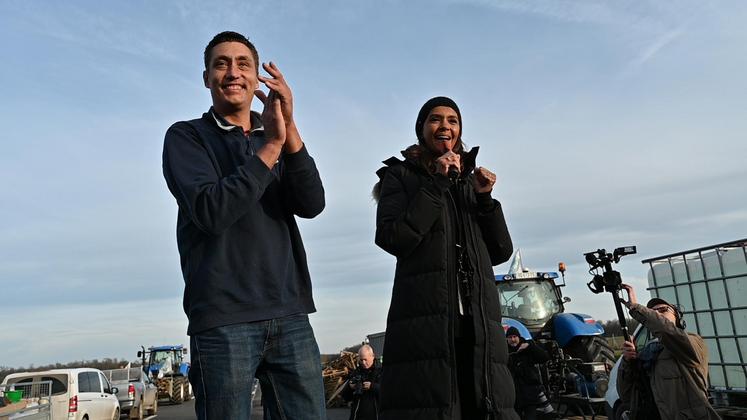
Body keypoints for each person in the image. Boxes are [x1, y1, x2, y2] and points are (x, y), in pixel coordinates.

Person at [162, 31, 326, 420]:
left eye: (243, 64)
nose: (232, 72)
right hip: (222, 319)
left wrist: (289, 129)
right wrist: (269, 147)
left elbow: (312, 204)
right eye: (221, 63)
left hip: (290, 312)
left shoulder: (276, 134)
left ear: (256, 79)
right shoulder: (186, 137)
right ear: (206, 78)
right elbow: (211, 211)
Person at [374, 96, 518, 420]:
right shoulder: (400, 176)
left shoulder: (468, 180)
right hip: (427, 322)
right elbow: (392, 238)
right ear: (421, 128)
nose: (445, 126)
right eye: (436, 119)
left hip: (478, 324)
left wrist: (485, 200)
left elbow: (500, 252)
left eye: (453, 121)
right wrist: (437, 183)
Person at [618, 284, 720, 420]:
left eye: (663, 310)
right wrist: (627, 362)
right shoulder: (648, 353)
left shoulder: (693, 342)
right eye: (653, 311)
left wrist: (636, 307)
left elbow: (667, 330)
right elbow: (627, 395)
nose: (657, 313)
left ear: (677, 317)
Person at [505, 327, 554, 420]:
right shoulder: (505, 353)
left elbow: (544, 357)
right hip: (514, 396)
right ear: (506, 339)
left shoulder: (528, 349)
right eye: (510, 337)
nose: (512, 339)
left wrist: (530, 346)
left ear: (519, 337)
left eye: (514, 336)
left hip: (530, 395)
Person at [342, 345, 383, 420]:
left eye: (365, 359)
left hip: (376, 416)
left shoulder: (381, 372)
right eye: (361, 360)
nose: (363, 362)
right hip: (357, 416)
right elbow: (345, 397)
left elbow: (389, 392)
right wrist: (350, 387)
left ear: (373, 356)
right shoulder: (356, 373)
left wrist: (372, 386)